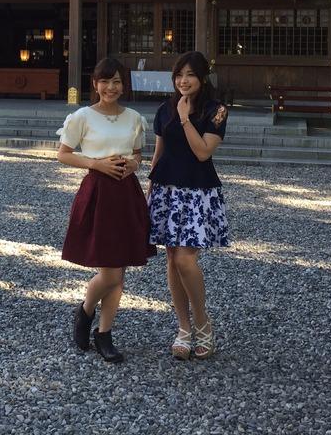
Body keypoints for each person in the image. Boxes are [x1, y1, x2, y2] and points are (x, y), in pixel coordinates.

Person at [57, 57, 155, 363]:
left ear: (124, 85)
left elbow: (139, 154)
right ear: (95, 84)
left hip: (126, 192)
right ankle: (86, 311)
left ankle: (104, 333)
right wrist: (95, 163)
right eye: (104, 81)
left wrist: (134, 166)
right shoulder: (82, 117)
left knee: (119, 268)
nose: (110, 88)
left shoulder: (134, 118)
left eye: (116, 82)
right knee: (110, 272)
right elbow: (63, 154)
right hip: (99, 190)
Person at [146, 50, 229, 360]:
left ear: (202, 78)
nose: (183, 81)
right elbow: (158, 153)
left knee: (185, 259)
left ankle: (203, 323)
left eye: (190, 75)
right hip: (166, 189)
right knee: (171, 259)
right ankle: (183, 327)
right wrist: (149, 190)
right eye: (179, 75)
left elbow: (203, 152)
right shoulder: (163, 109)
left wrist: (184, 117)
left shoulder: (216, 110)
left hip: (197, 190)